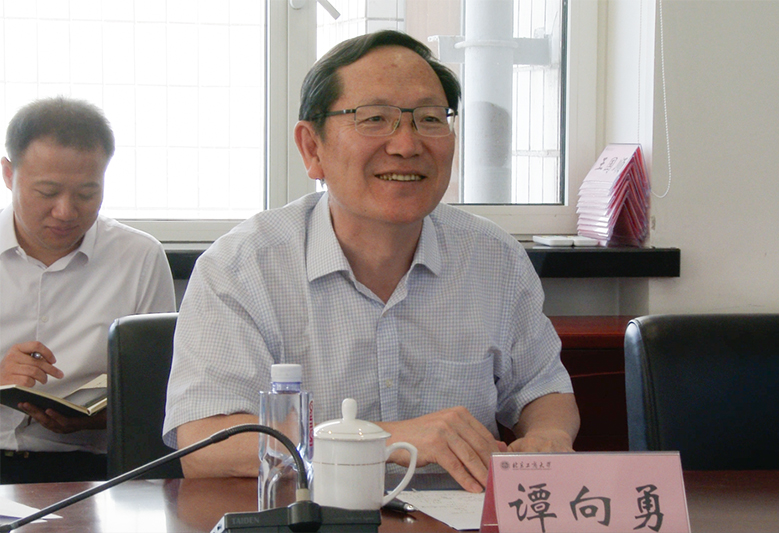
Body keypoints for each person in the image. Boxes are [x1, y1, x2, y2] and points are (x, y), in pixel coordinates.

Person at [163, 30, 579, 493]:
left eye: (429, 119)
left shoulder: (494, 258)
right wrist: (385, 441)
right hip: (311, 518)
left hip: (454, 520)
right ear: (312, 148)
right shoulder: (241, 268)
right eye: (375, 119)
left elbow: (543, 389)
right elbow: (203, 445)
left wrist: (548, 436)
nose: (406, 145)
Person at [0, 97, 176, 484]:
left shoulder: (139, 257)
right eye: (47, 192)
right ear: (9, 174)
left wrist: (102, 416)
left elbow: (162, 393)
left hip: (92, 470)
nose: (66, 211)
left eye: (86, 194)